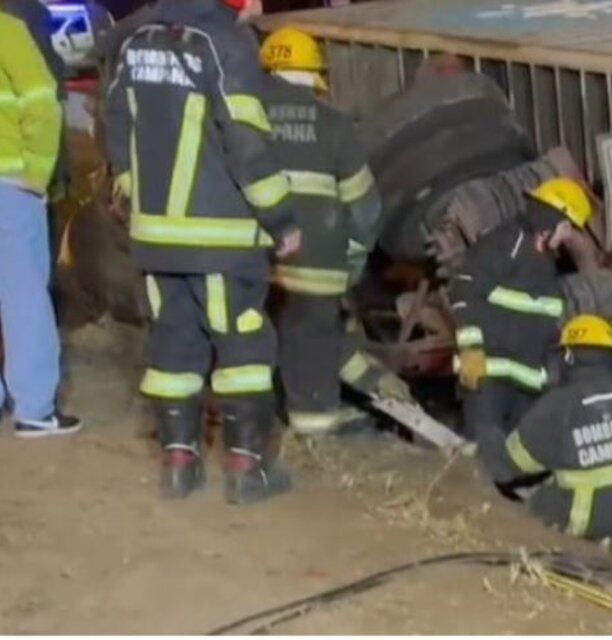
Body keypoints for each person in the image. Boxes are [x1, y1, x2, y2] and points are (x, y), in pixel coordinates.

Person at [104, 0, 301, 504]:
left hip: (153, 237)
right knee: (243, 349)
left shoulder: (130, 43)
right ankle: (245, 470)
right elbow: (247, 144)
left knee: (172, 348)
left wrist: (138, 195)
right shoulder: (224, 45)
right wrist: (280, 219)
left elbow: (116, 129)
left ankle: (178, 466)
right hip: (220, 237)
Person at [258, 27, 408, 433]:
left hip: (253, 258)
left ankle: (270, 419)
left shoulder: (243, 116)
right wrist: (354, 261)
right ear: (314, 75)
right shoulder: (335, 125)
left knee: (273, 337)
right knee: (313, 336)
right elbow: (365, 207)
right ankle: (317, 435)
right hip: (319, 261)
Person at [482, 314, 612, 542]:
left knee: (533, 505)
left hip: (581, 521)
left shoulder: (554, 407)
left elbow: (509, 466)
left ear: (567, 356)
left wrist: (486, 444)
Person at [449, 177, 592, 455]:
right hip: (487, 376)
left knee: (520, 458)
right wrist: (471, 350)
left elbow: (541, 322)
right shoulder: (505, 242)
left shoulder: (545, 264)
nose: (566, 237)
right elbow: (464, 291)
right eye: (567, 228)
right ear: (555, 223)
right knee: (483, 456)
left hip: (526, 384)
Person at [0, 5, 80, 437]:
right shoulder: (8, 31)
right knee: (24, 294)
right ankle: (33, 407)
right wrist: (36, 172)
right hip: (9, 184)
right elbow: (42, 101)